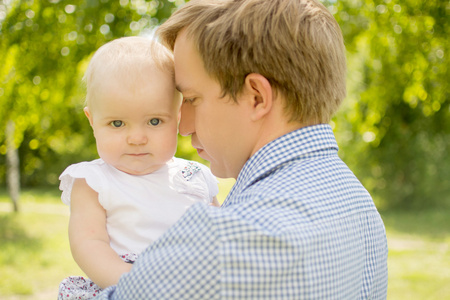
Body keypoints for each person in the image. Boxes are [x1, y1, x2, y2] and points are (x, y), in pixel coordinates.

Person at [94, 0, 388, 299]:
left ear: (257, 98)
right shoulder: (361, 207)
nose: (184, 126)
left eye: (193, 99)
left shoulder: (222, 240)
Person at [57, 36, 219, 300]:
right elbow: (89, 245)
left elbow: (221, 235)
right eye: (118, 124)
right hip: (125, 286)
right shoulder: (93, 181)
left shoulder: (196, 176)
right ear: (93, 120)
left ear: (177, 116)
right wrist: (137, 285)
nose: (136, 138)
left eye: (154, 121)